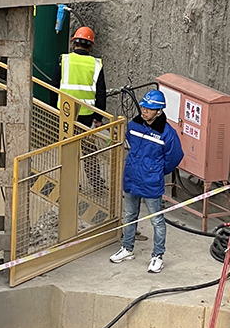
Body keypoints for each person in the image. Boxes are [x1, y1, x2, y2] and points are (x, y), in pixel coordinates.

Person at [110, 89, 184, 273]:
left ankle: (157, 256)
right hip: (132, 178)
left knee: (156, 220)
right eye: (143, 107)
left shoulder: (167, 134)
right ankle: (127, 248)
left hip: (151, 182)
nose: (144, 111)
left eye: (149, 109)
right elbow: (130, 144)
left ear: (159, 111)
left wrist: (157, 171)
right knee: (129, 216)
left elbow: (175, 157)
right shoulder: (134, 125)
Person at [50, 25, 107, 193]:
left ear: (74, 43)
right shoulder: (96, 64)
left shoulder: (64, 59)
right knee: (89, 149)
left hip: (66, 112)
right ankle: (96, 184)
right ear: (91, 45)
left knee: (68, 148)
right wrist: (98, 117)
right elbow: (101, 93)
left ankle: (71, 183)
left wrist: (54, 108)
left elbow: (54, 86)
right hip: (86, 114)